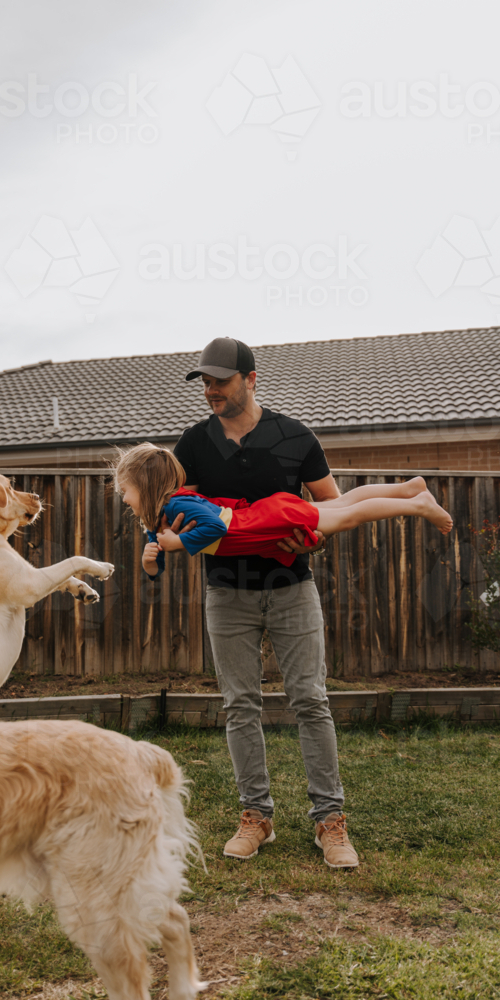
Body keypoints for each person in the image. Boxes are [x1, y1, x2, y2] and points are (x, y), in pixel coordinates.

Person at [146, 336, 370, 868]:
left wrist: (311, 540)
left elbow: (331, 509)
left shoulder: (295, 436)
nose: (210, 390)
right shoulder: (194, 444)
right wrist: (158, 543)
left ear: (250, 379)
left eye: (220, 380)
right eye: (204, 381)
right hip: (226, 592)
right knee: (239, 706)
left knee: (310, 702)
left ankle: (330, 821)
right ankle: (256, 816)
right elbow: (173, 514)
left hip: (292, 589)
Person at [112, 445, 452, 579]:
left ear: (148, 485)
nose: (124, 500)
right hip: (266, 516)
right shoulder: (162, 515)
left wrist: (178, 545)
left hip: (267, 522)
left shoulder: (176, 504)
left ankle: (416, 505)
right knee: (342, 503)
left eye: (126, 492)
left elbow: (215, 528)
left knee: (350, 515)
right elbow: (156, 562)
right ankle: (408, 488)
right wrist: (150, 560)